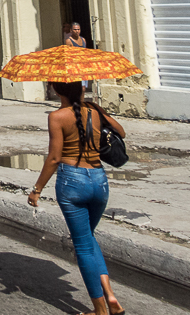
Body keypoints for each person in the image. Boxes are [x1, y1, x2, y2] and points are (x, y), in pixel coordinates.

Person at [29, 82, 126, 315]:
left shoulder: (57, 117)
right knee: (88, 239)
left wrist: (37, 189)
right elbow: (120, 133)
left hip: (72, 181)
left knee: (82, 246)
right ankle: (110, 296)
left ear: (56, 90)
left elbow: (54, 157)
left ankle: (99, 309)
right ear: (81, 90)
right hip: (99, 180)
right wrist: (99, 111)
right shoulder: (93, 110)